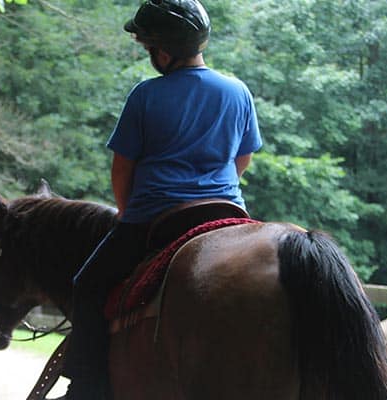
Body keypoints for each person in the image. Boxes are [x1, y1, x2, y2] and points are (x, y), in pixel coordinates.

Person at [60, 1, 262, 399]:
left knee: (86, 285)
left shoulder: (145, 96)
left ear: (163, 51)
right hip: (228, 212)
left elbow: (123, 169)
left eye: (149, 46)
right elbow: (244, 158)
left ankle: (86, 386)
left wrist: (126, 214)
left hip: (157, 217)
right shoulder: (237, 91)